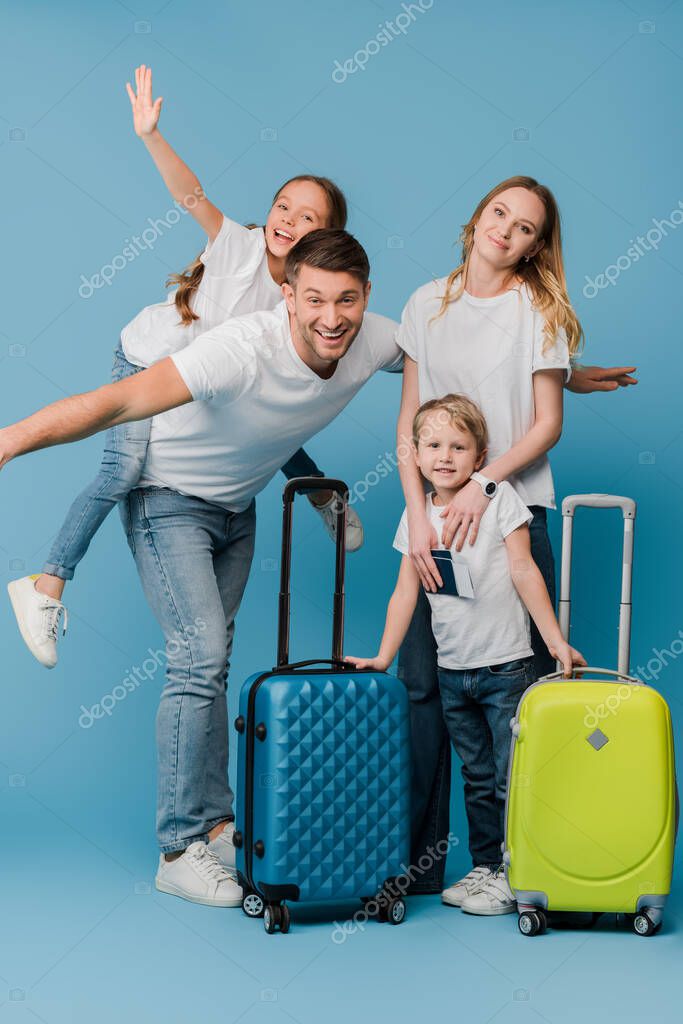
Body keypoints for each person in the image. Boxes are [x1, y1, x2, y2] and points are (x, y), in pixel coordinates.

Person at [0, 229, 404, 907]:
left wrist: (560, 373)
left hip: (235, 510)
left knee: (210, 664)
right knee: (199, 655)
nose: (330, 318)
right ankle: (177, 847)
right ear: (286, 295)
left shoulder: (379, 338)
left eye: (346, 300)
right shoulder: (240, 348)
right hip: (167, 502)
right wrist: (10, 439)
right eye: (313, 299)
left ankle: (217, 824)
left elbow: (454, 344)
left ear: (366, 297)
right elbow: (116, 403)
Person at [7, 64, 362, 671]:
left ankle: (322, 496)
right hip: (150, 364)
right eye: (283, 206)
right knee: (123, 473)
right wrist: (150, 134)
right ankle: (44, 587)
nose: (287, 221)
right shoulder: (240, 248)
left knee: (276, 410)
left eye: (307, 218)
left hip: (212, 391)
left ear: (327, 239)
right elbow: (191, 195)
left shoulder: (309, 298)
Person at [394, 176, 637, 896]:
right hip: (433, 521)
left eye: (525, 227)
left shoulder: (539, 309)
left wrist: (481, 485)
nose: (507, 229)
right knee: (423, 691)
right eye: (499, 213)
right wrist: (416, 516)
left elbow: (544, 424)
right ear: (476, 218)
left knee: (516, 703)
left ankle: (519, 868)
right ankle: (416, 872)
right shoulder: (422, 304)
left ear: (536, 245)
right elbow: (408, 427)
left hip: (511, 517)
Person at [346, 394, 586, 914]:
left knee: (509, 775)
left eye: (459, 446)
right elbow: (404, 595)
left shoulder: (500, 501)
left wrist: (554, 640)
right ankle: (486, 868)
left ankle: (517, 870)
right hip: (453, 674)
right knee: (477, 777)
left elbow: (526, 571)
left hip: (508, 667)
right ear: (415, 453)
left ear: (480, 458)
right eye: (432, 445)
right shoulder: (417, 521)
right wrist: (384, 658)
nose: (445, 456)